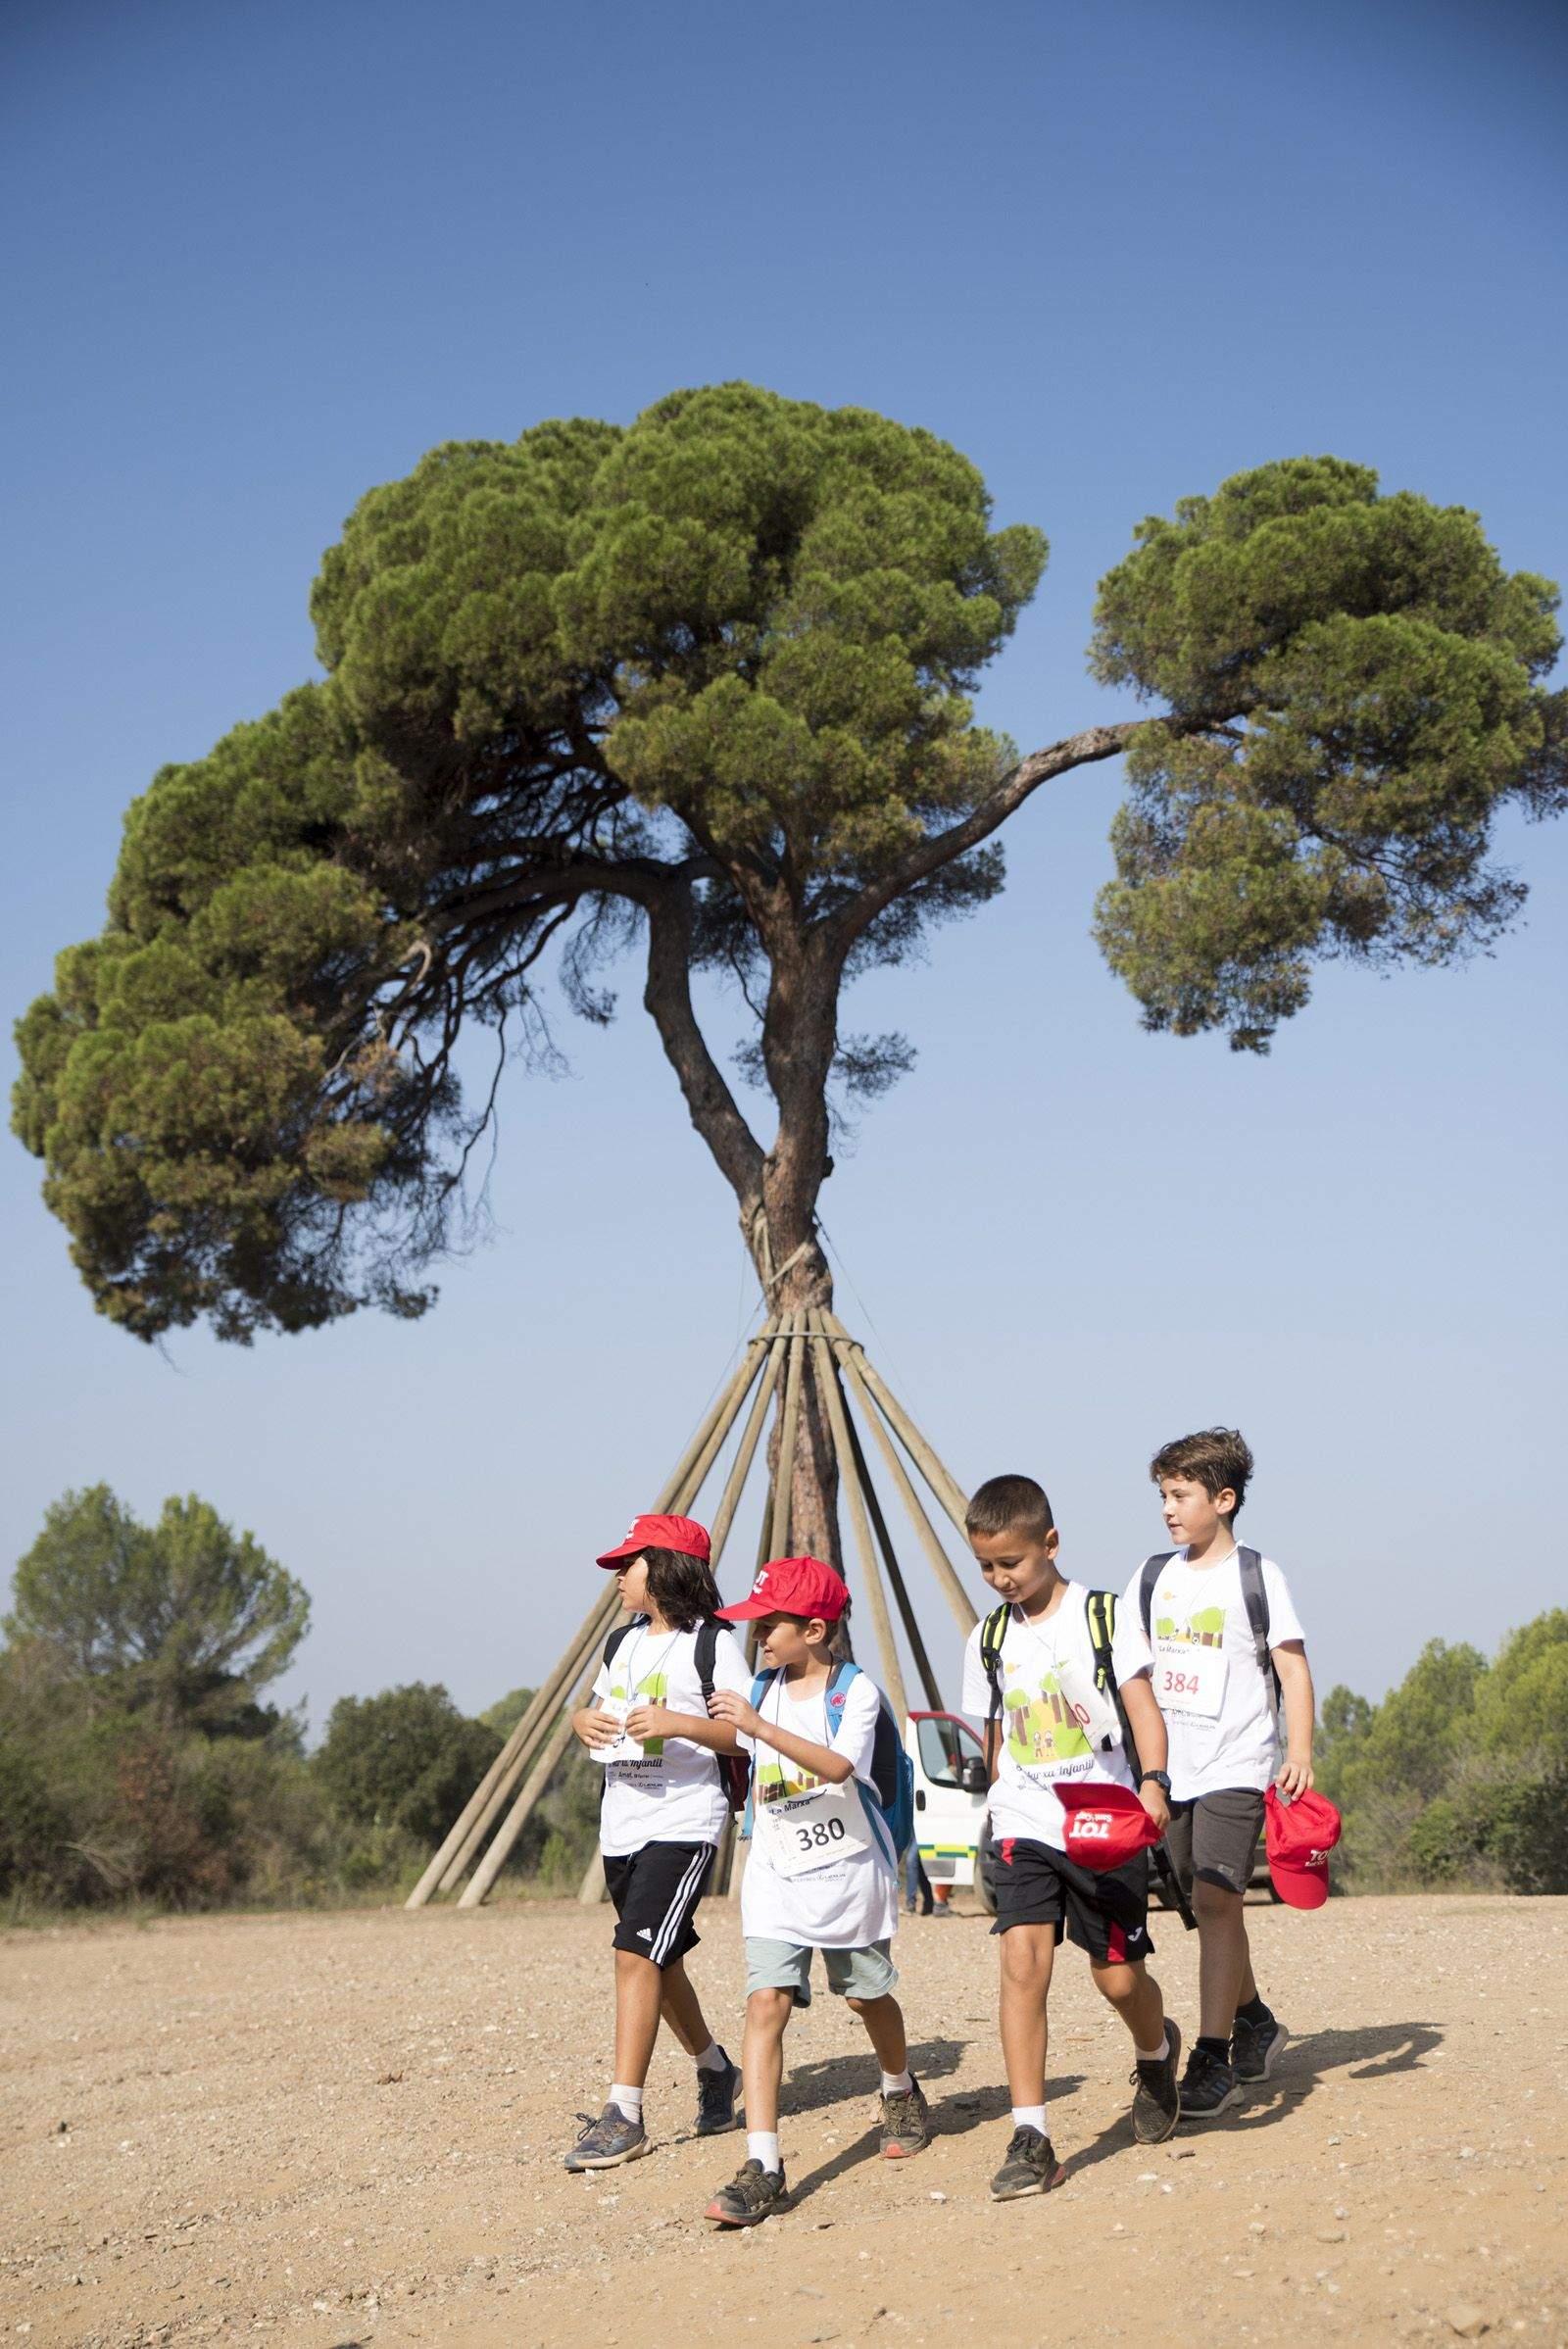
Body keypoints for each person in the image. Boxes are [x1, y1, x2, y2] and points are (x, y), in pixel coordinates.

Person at [960, 1474, 1181, 2201]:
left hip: (1102, 1819)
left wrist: (1153, 1782)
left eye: (1012, 1563)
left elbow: (1143, 1708)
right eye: (987, 1566)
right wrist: (996, 1801)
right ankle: (1032, 2133)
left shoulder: (1102, 1615)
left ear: (1049, 1544)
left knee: (1117, 1976)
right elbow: (993, 1735)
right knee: (1022, 1962)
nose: (999, 1579)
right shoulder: (987, 1638)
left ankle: (1155, 2051)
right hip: (1025, 1819)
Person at [701, 1555, 931, 2226]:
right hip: (775, 1872)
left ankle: (899, 2086)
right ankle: (763, 2163)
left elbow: (835, 1765)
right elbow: (740, 1740)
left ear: (814, 1627)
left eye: (770, 1624)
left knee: (866, 1995)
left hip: (848, 1872)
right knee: (765, 2002)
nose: (758, 1636)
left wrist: (758, 1725)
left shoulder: (854, 1692)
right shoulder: (763, 1688)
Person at [1118, 1429, 1314, 2121]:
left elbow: (1291, 1665)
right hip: (1174, 1769)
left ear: (1223, 1499)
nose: (1168, 1508)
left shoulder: (1258, 1576)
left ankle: (1211, 2054)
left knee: (1216, 1898)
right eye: (1163, 1495)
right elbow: (1133, 1676)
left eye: (1181, 1494)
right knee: (1199, 1904)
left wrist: (1299, 1750)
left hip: (1237, 1761)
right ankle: (1255, 2017)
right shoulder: (1151, 1577)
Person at [563, 1512, 751, 2171]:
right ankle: (717, 2069)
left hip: (684, 1821)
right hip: (623, 1823)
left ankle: (624, 2114)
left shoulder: (716, 1644)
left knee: (633, 1955)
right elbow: (598, 1707)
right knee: (657, 1962)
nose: (618, 1575)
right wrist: (582, 1718)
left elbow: (745, 1734)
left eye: (629, 1563)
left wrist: (681, 1722)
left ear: (665, 1568)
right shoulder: (622, 1643)